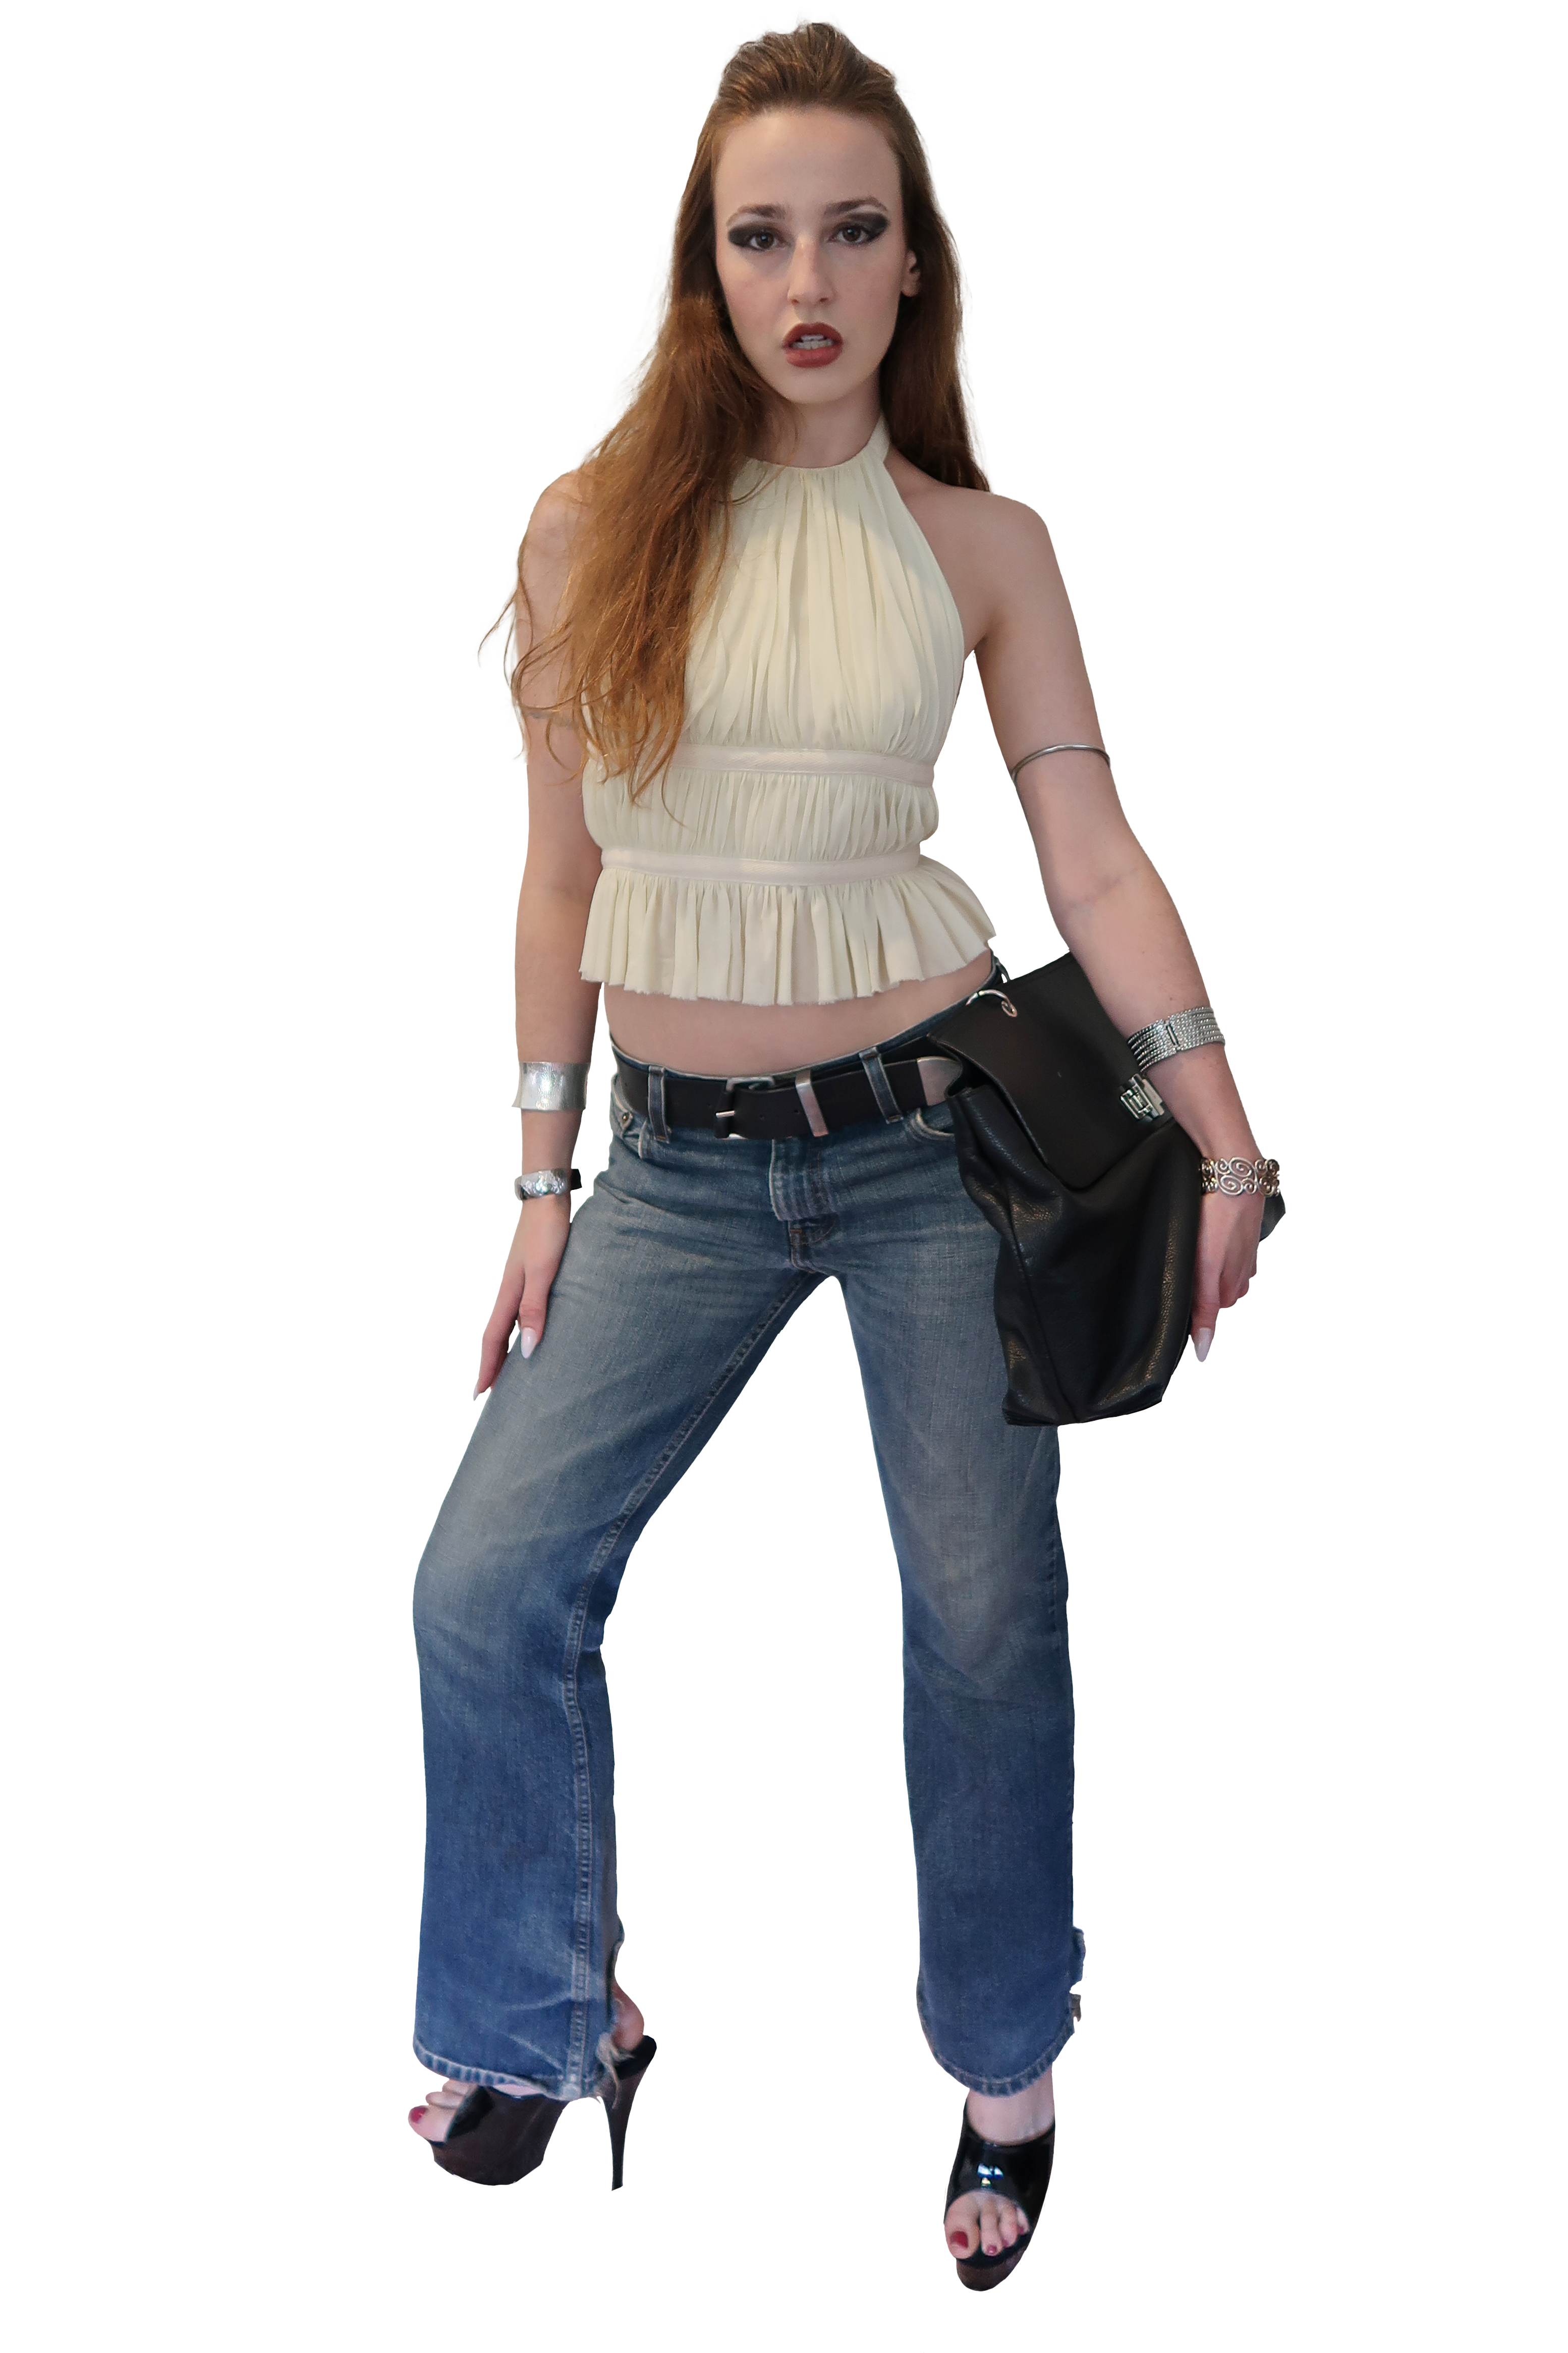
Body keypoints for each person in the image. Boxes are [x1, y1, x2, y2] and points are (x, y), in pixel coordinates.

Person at [406, 11, 1274, 2290]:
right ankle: (542, 2008)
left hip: (924, 1151)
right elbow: (559, 884)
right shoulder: (591, 525)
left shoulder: (984, 541)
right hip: (675, 1170)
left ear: (915, 266)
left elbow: (1087, 854)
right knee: (481, 1585)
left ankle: (1005, 2066)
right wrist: (542, 1184)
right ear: (702, 267)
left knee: (981, 1615)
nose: (806, 278)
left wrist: (1228, 1140)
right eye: (759, 234)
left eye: (850, 231)